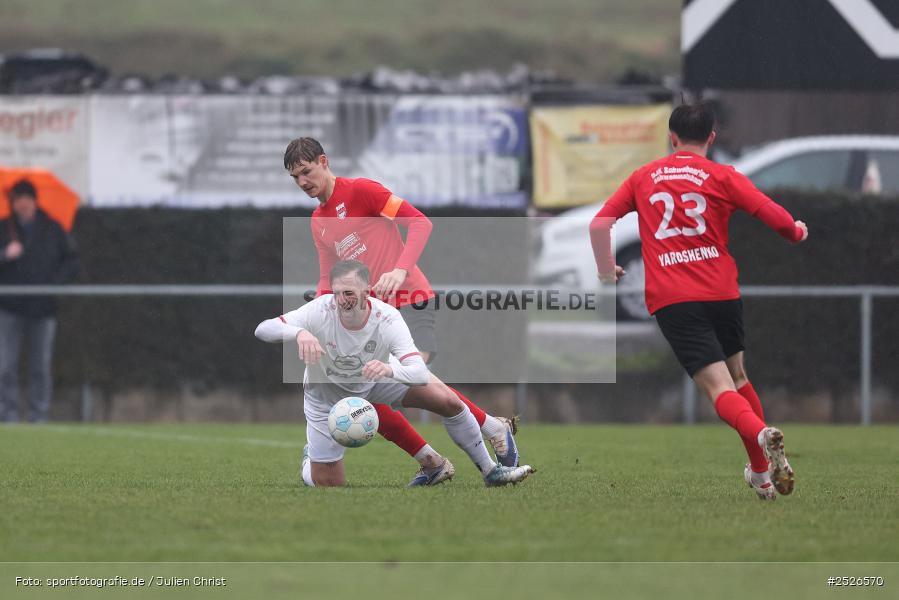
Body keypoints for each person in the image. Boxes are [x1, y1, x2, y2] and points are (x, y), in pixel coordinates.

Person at [589, 103, 808, 501]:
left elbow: (600, 223)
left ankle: (760, 436)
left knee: (718, 389)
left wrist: (606, 269)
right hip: (722, 292)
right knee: (738, 378)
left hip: (675, 298)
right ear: (712, 136)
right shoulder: (722, 175)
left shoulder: (644, 177)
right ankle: (761, 473)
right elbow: (772, 215)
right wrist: (795, 232)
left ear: (671, 138)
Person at [283, 137, 519, 486]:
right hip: (370, 318)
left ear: (323, 161)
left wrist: (400, 269)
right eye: (295, 177)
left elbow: (420, 223)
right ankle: (445, 454)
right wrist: (318, 313)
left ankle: (477, 436)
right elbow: (326, 277)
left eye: (306, 171)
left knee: (413, 380)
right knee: (365, 390)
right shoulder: (318, 221)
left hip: (410, 301)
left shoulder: (363, 191)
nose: (303, 182)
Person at [255, 259, 535, 488]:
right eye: (337, 292)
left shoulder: (387, 317)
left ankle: (490, 472)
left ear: (367, 291)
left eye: (349, 293)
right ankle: (309, 463)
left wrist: (390, 369)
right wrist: (299, 332)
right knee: (328, 485)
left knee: (448, 401)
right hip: (324, 397)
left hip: (374, 380)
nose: (341, 300)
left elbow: (417, 371)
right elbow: (263, 329)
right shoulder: (319, 309)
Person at [0, 179, 79, 423]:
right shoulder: (4, 228)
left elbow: (71, 261)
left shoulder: (54, 228)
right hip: (9, 308)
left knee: (40, 367)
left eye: (26, 199)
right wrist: (4, 255)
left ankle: (39, 416)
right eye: (18, 199)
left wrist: (54, 285)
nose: (22, 204)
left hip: (43, 309)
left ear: (34, 201)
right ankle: (7, 415)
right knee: (5, 366)